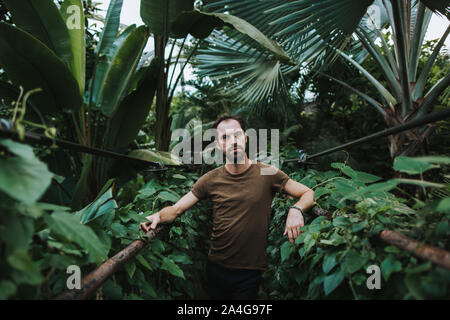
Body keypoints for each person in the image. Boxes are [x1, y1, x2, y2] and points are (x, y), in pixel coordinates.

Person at [140, 115, 315, 300]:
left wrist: (296, 210)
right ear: (218, 145)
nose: (233, 141)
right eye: (225, 137)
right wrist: (158, 215)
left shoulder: (267, 172)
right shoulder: (210, 179)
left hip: (249, 272)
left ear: (245, 139)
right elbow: (176, 209)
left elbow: (307, 193)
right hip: (216, 267)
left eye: (237, 135)